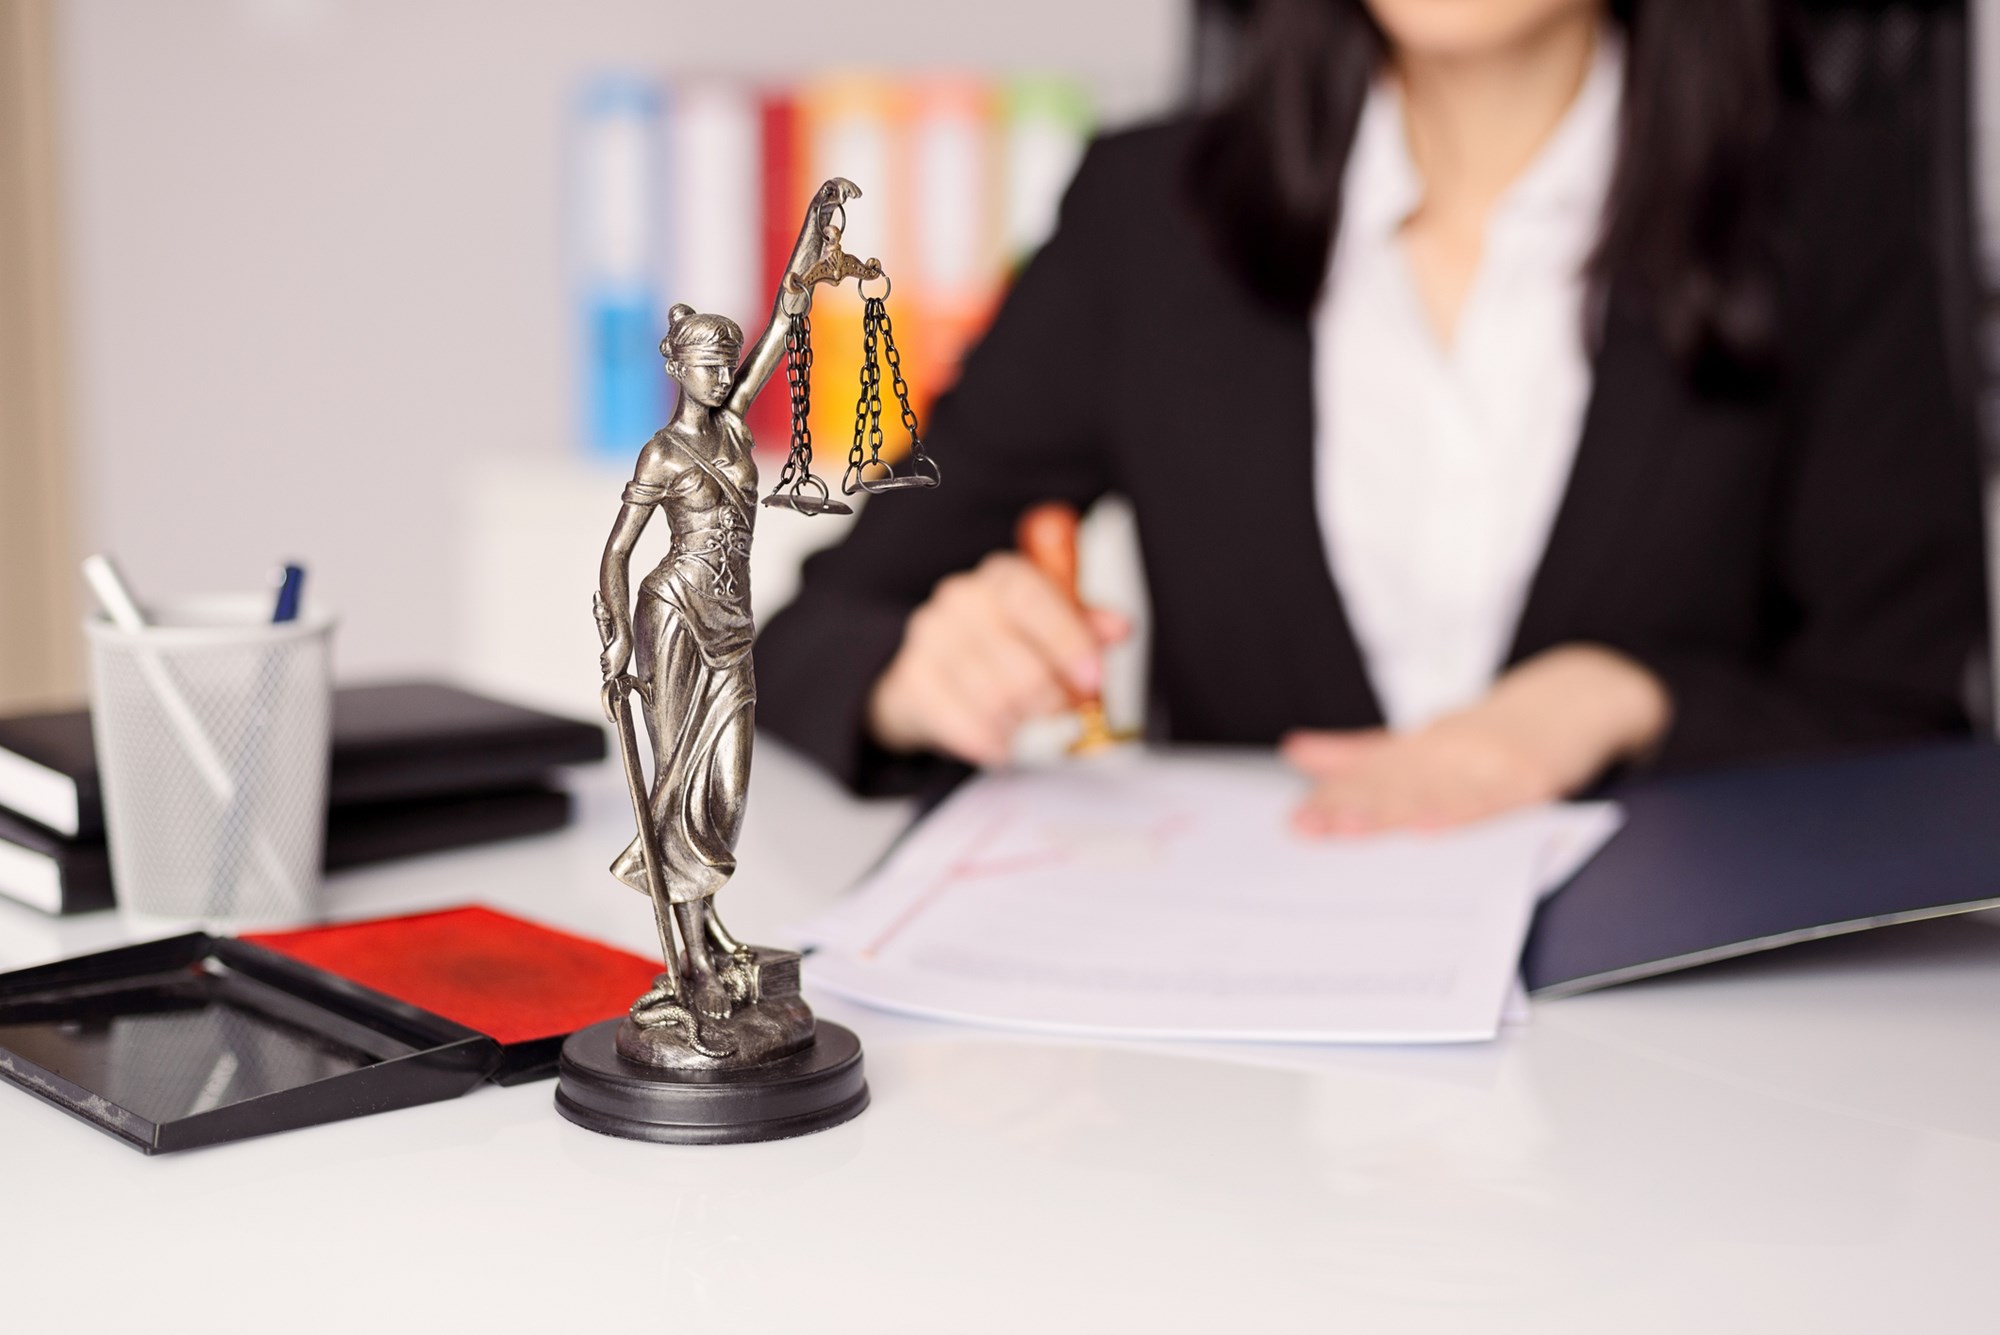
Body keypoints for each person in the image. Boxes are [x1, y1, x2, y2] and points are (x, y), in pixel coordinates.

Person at [754, 0, 1990, 833]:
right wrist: (916, 679)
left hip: (1686, 1078)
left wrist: (1619, 697)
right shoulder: (1150, 217)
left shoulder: (1832, 212)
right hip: (1255, 1092)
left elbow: (1908, 720)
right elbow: (812, 633)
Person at [597, 178, 858, 1022]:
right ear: (678, 367)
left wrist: (812, 245)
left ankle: (710, 931)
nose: (720, 375)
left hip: (734, 629)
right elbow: (617, 552)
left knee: (726, 788)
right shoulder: (664, 453)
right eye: (707, 364)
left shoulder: (739, 429)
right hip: (671, 617)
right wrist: (612, 641)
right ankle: (692, 952)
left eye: (726, 363)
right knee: (676, 786)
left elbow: (785, 327)